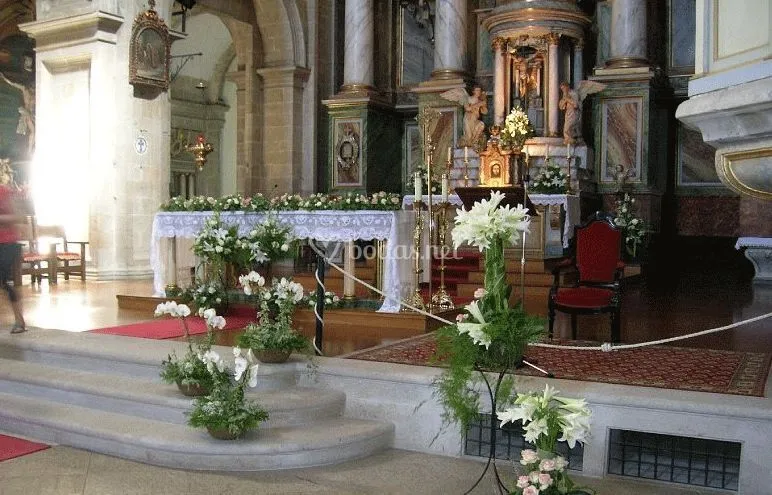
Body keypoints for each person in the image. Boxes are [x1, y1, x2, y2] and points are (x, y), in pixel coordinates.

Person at [0, 178, 27, 334]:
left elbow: (19, 216)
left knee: (3, 280)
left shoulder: (5, 192)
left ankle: (19, 320)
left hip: (8, 243)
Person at [0, 72, 35, 155]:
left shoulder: (36, 96)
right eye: (33, 88)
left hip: (29, 114)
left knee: (32, 131)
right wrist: (5, 79)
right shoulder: (26, 92)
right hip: (25, 112)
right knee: (30, 130)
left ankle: (29, 150)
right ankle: (29, 150)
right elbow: (18, 85)